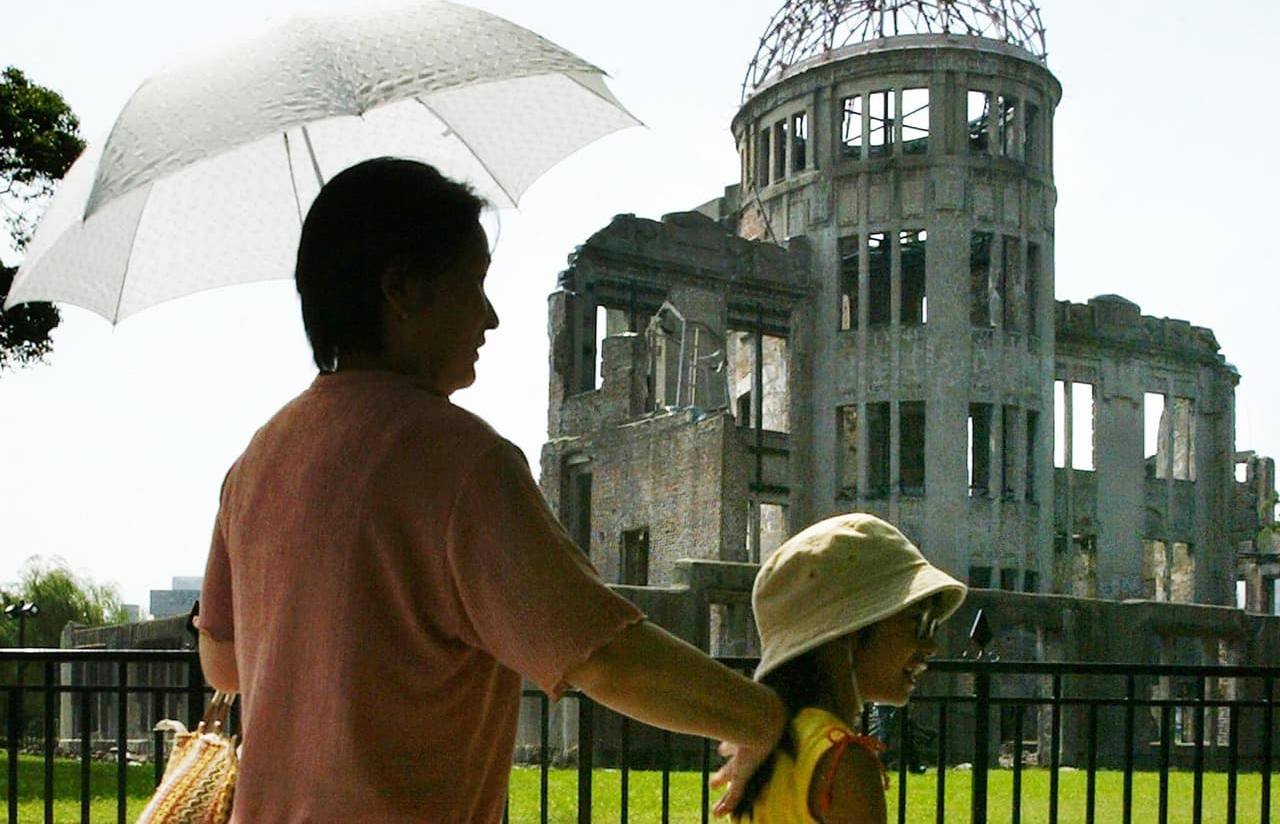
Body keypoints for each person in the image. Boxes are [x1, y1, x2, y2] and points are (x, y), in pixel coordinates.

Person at [196, 158, 783, 823]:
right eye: (474, 283)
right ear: (402, 288)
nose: (491, 317)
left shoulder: (255, 463)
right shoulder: (458, 462)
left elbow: (222, 665)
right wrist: (764, 716)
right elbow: (603, 653)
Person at [730, 513, 966, 824]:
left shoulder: (769, 748)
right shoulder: (845, 762)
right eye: (919, 622)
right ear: (850, 631)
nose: (930, 647)